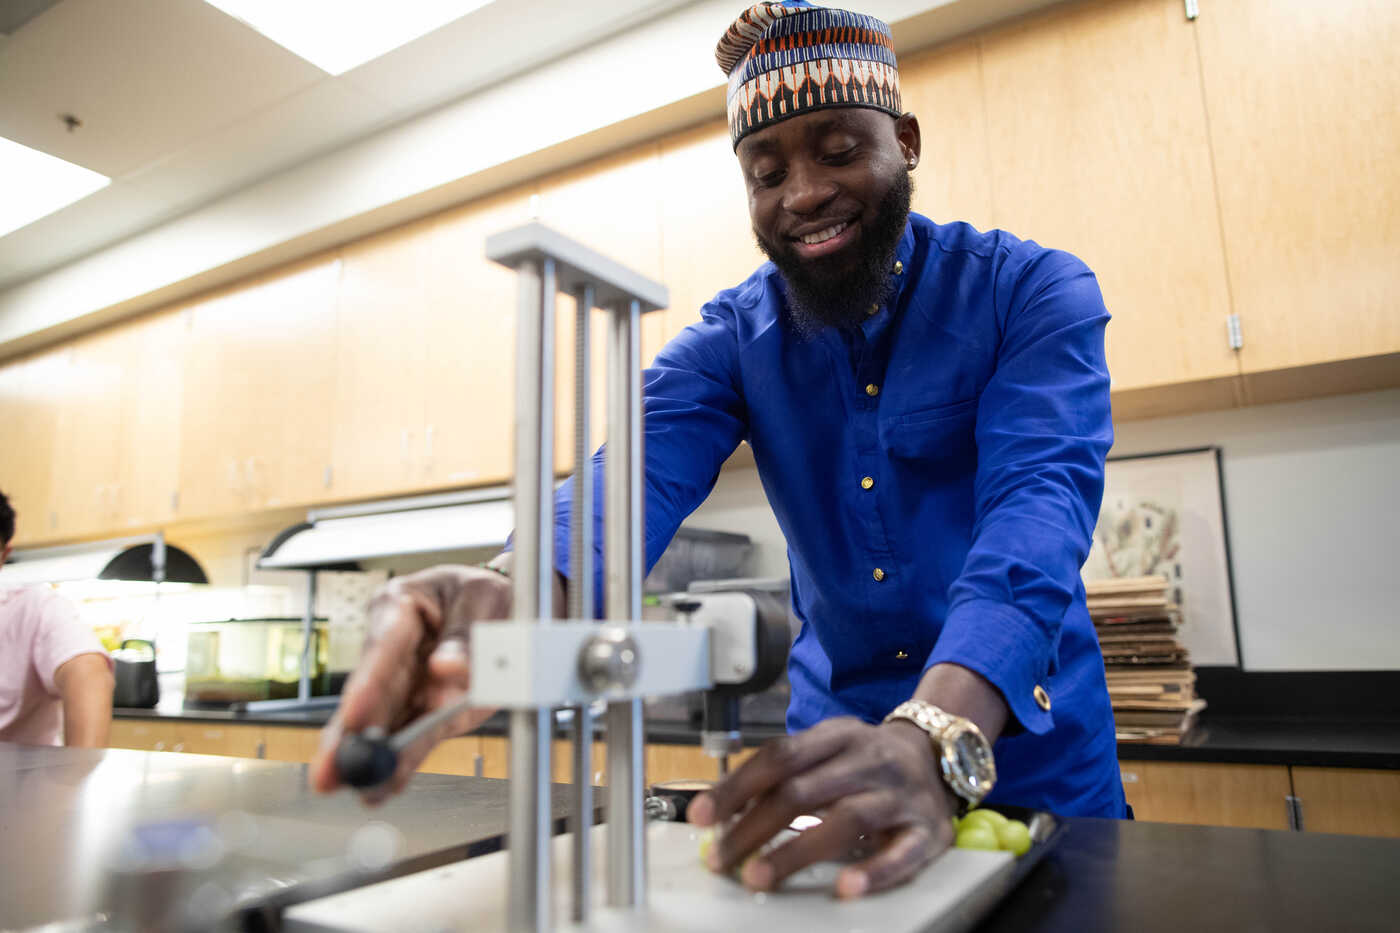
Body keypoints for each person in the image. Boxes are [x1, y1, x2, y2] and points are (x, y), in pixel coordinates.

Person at [313, 0, 1126, 898]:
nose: (802, 193)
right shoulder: (735, 340)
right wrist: (515, 588)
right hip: (832, 776)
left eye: (839, 150)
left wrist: (933, 733)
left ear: (906, 140)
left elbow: (1037, 512)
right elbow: (626, 477)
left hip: (1033, 769)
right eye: (764, 171)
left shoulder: (1031, 292)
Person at [0, 490, 114, 747]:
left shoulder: (35, 608)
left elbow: (87, 672)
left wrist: (77, 774)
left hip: (22, 784)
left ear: (4, 555)